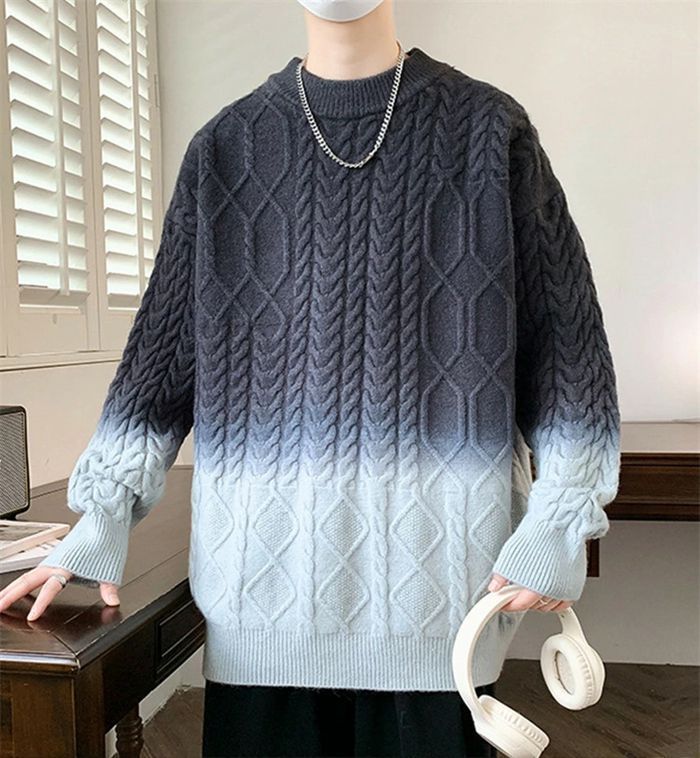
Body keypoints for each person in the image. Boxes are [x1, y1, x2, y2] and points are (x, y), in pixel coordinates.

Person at [0, 1, 621, 756]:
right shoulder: (225, 148)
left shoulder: (491, 132)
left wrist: (560, 522)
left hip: (442, 611)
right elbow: (160, 362)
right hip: (260, 604)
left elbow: (568, 356)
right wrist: (100, 521)